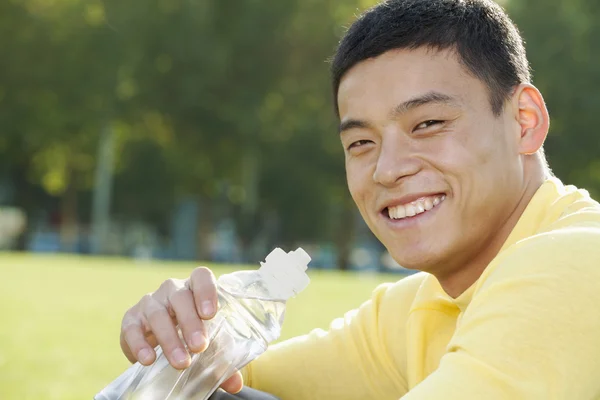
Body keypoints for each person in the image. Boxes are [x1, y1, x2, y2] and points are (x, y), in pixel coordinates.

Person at [118, 0, 600, 398]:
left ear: (525, 121)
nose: (387, 169)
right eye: (361, 143)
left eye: (427, 124)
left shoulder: (577, 261)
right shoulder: (421, 304)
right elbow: (232, 385)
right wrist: (182, 343)